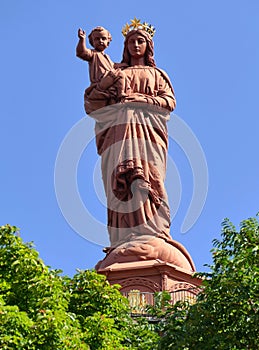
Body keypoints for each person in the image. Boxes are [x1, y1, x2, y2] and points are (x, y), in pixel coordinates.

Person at [88, 22, 176, 252]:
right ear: (125, 46)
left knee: (149, 179)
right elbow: (94, 102)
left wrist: (141, 100)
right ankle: (122, 236)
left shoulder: (157, 74)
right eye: (131, 41)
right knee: (122, 180)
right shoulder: (117, 73)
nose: (136, 45)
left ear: (149, 46)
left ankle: (155, 231)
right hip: (119, 133)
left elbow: (169, 103)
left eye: (141, 41)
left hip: (149, 135)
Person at [76, 26, 128, 113]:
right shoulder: (93, 54)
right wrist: (82, 39)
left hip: (111, 82)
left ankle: (120, 93)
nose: (100, 41)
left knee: (121, 75)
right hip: (101, 82)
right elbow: (81, 52)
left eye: (103, 39)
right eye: (97, 39)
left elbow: (112, 65)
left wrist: (123, 65)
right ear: (92, 42)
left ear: (108, 42)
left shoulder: (106, 57)